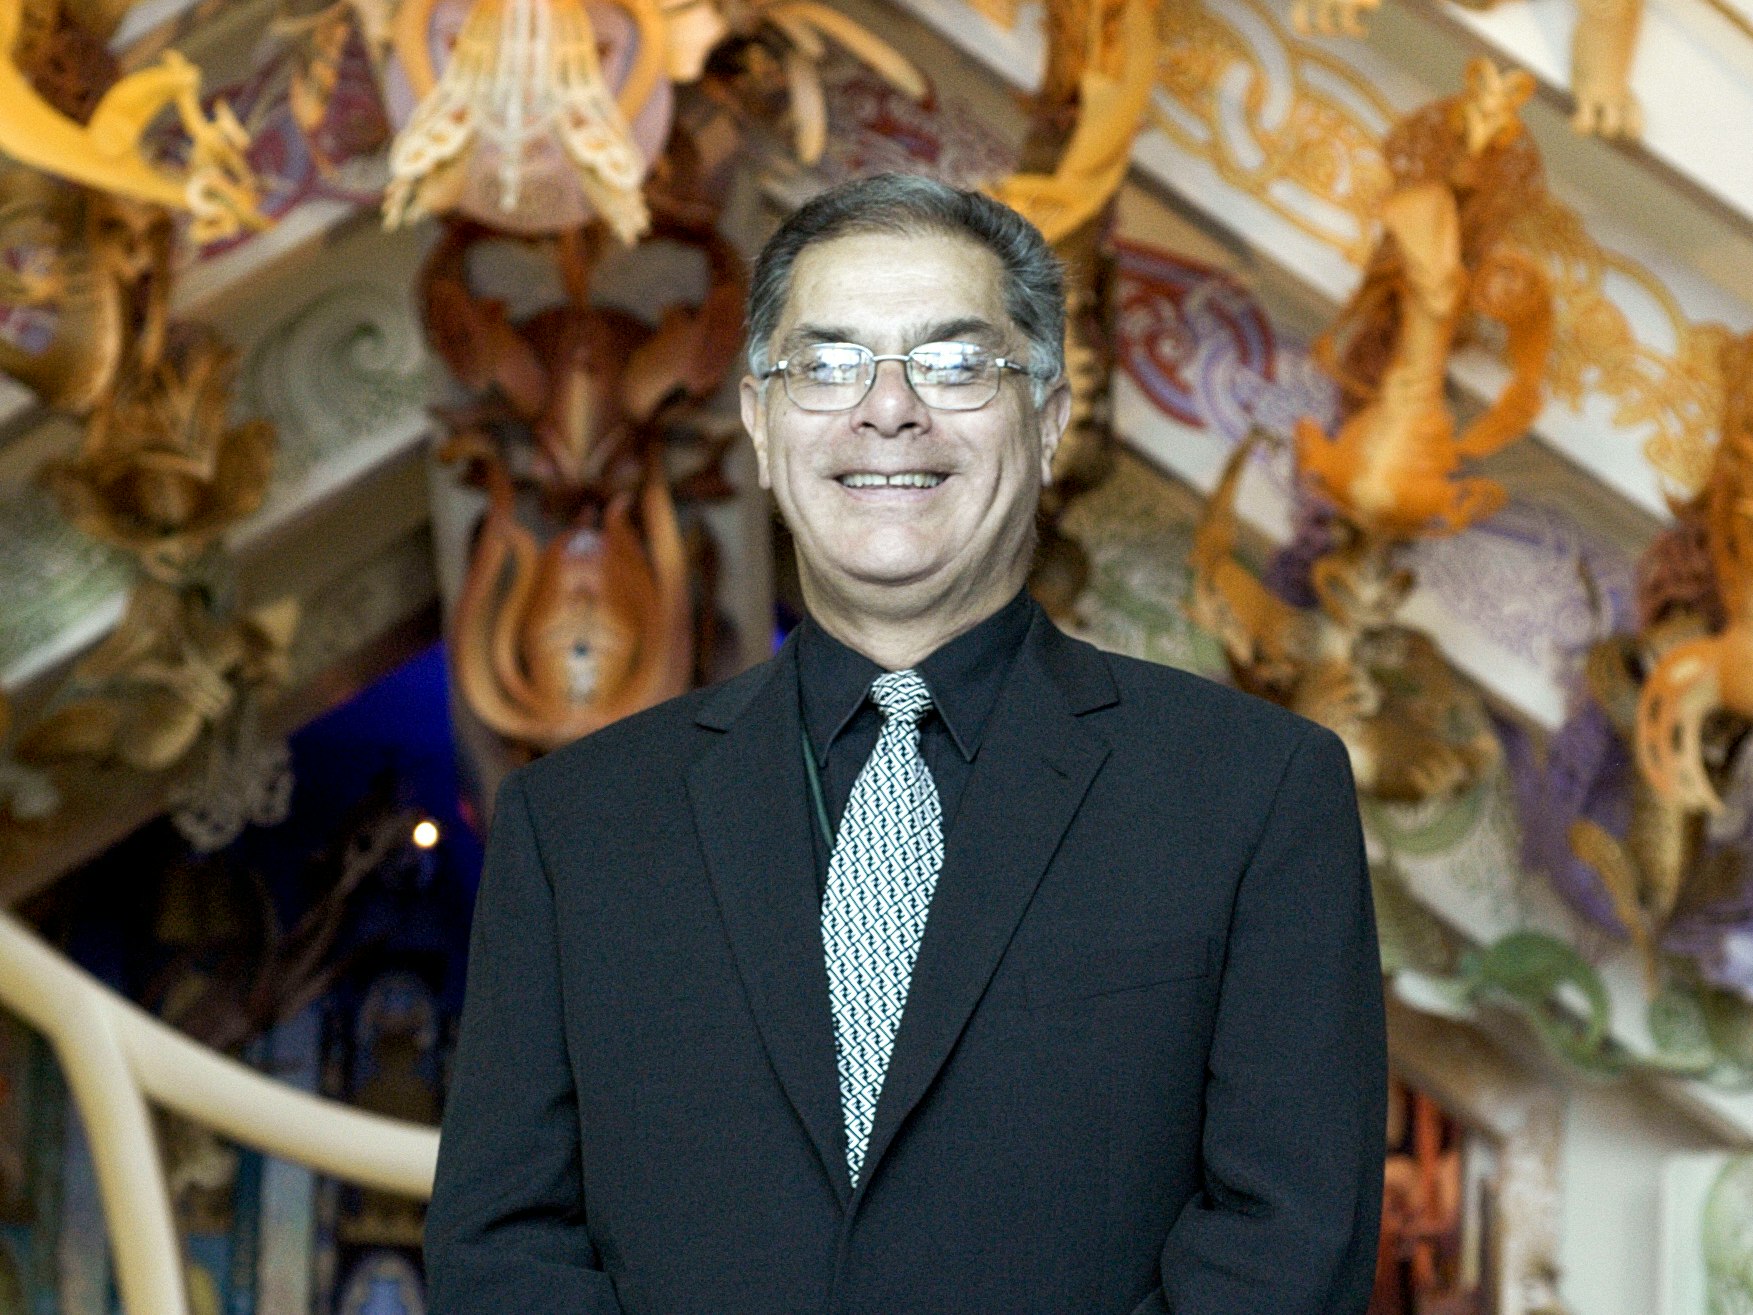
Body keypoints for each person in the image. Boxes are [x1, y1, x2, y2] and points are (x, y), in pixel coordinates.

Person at [424, 173, 1387, 1315]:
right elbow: (502, 1249)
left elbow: (1287, 1242)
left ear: (1048, 421)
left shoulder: (1253, 792)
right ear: (759, 422)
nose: (888, 409)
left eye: (954, 362)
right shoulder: (577, 825)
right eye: (826, 365)